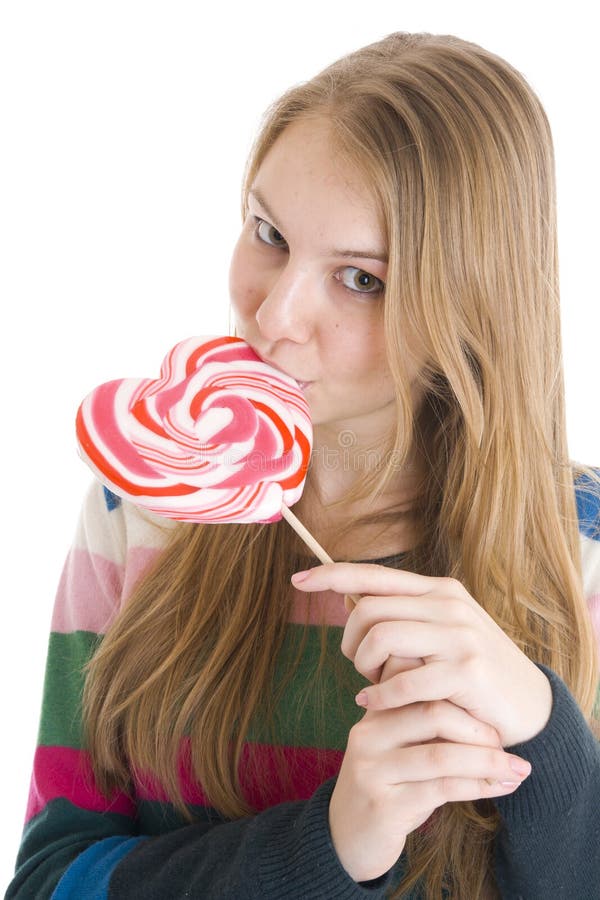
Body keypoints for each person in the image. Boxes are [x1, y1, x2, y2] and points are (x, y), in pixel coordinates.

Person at [6, 31, 600, 900]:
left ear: (470, 305)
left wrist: (548, 740)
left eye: (360, 278)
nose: (275, 314)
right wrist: (326, 845)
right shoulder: (139, 512)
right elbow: (50, 883)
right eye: (269, 233)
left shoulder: (580, 554)